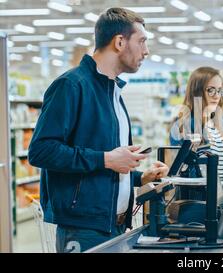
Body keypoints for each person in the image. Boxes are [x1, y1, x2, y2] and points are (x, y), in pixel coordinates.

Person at [28, 7, 169, 252]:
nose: (146, 51)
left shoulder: (113, 91)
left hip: (114, 227)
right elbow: (41, 151)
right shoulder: (71, 86)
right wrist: (106, 159)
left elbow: (105, 164)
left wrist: (138, 177)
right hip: (83, 229)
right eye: (142, 41)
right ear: (119, 42)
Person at [170, 67, 223, 192]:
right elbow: (184, 175)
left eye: (219, 90)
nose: (216, 96)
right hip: (200, 204)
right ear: (197, 92)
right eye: (210, 90)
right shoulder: (184, 126)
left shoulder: (222, 126)